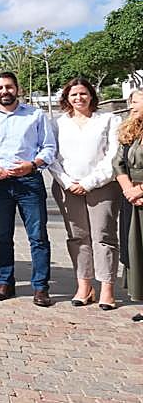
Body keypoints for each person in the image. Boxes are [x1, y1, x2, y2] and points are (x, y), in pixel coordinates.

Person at [0, 71, 57, 307]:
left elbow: (49, 147)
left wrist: (33, 164)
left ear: (17, 88)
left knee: (38, 236)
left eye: (9, 87)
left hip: (29, 181)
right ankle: (5, 282)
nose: (4, 91)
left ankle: (41, 287)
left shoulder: (36, 115)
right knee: (2, 236)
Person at [50, 79, 122, 309]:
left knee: (103, 236)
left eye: (83, 93)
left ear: (91, 95)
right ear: (66, 98)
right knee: (78, 237)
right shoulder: (58, 123)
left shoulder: (109, 119)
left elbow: (113, 156)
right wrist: (67, 182)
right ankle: (84, 285)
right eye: (74, 95)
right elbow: (52, 156)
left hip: (103, 187)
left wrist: (90, 183)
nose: (79, 98)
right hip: (67, 188)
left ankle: (107, 288)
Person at [113, 89, 143, 320]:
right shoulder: (129, 128)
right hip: (132, 197)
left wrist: (140, 189)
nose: (131, 106)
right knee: (136, 249)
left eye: (135, 102)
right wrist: (128, 189)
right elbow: (119, 163)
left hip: (139, 191)